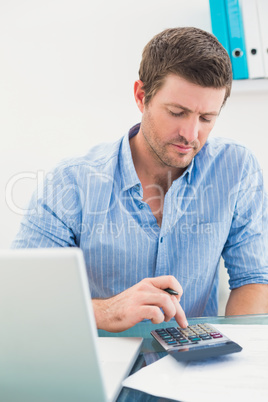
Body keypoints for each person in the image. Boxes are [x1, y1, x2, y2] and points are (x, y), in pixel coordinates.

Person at [11, 27, 268, 332]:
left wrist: (230, 360)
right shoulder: (71, 182)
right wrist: (107, 311)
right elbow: (19, 297)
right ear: (141, 96)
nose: (191, 134)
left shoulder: (236, 168)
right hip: (105, 368)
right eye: (177, 112)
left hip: (197, 370)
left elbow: (255, 278)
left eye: (206, 118)